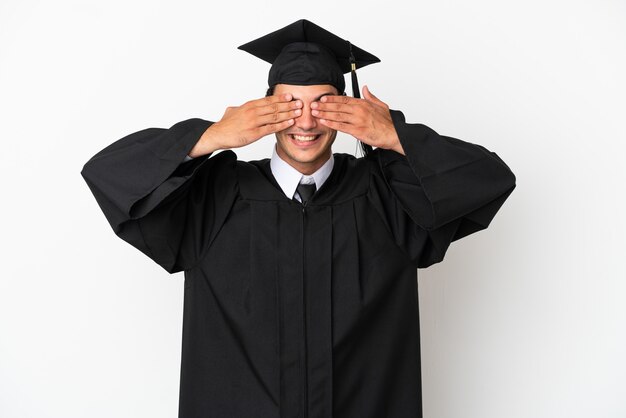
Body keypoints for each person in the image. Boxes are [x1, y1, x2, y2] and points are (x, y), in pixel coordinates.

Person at [81, 19, 516, 418]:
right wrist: (209, 136)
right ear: (263, 110)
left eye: (322, 103)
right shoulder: (213, 196)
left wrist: (394, 136)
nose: (305, 120)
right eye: (288, 103)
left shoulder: (387, 194)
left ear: (346, 110)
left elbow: (491, 181)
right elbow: (107, 175)